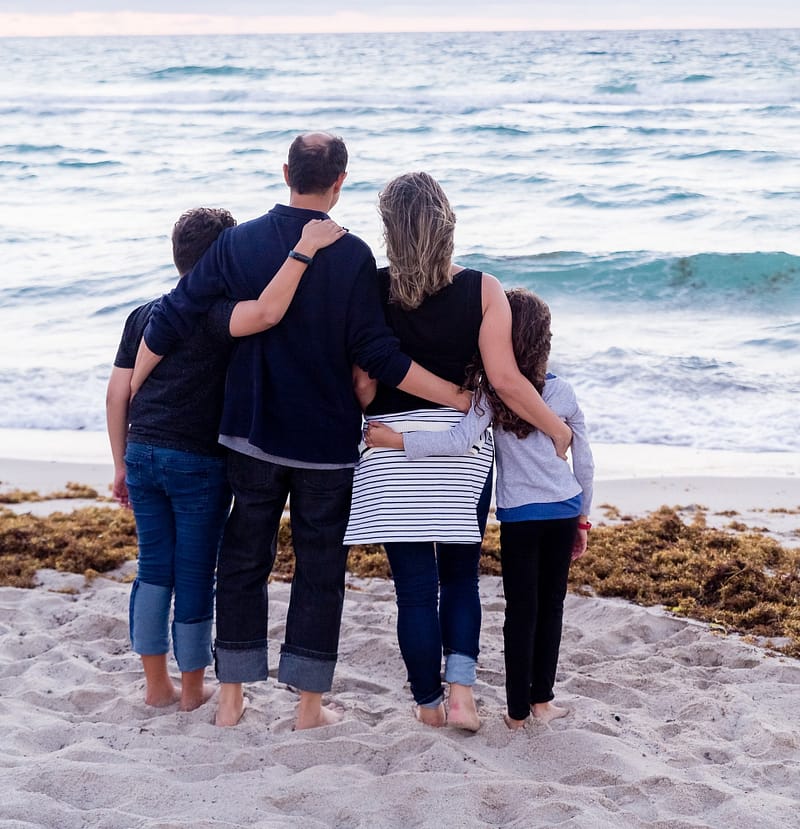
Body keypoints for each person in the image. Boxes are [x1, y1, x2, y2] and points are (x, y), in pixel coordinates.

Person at [135, 134, 471, 730]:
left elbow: (175, 313)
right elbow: (377, 354)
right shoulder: (353, 255)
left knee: (243, 560)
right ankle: (308, 708)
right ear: (341, 181)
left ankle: (232, 697)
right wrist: (456, 397)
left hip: (251, 434)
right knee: (319, 569)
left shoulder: (237, 243)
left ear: (286, 171)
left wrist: (135, 387)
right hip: (325, 443)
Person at [343, 173, 573, 731]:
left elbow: (363, 390)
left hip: (390, 450)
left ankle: (428, 705)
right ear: (447, 223)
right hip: (460, 452)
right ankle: (463, 694)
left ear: (389, 230)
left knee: (415, 591)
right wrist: (556, 431)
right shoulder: (483, 289)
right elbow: (506, 380)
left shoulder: (371, 289)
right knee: (461, 579)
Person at [107, 206, 344, 712]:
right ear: (224, 256)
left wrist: (120, 464)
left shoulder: (145, 313)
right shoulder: (216, 315)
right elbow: (266, 312)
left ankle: (155, 686)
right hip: (196, 463)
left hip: (142, 453)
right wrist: (304, 251)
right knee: (194, 574)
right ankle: (192, 691)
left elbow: (117, 394)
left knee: (153, 569)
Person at [365, 289, 594, 729]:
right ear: (545, 340)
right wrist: (583, 515)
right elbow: (584, 460)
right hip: (564, 510)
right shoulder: (562, 392)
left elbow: (456, 441)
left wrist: (395, 440)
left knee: (520, 610)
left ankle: (516, 713)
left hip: (519, 517)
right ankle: (542, 699)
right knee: (552, 607)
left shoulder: (491, 395)